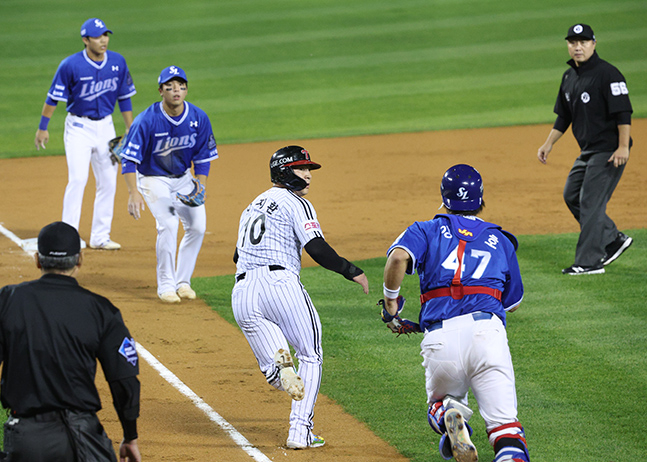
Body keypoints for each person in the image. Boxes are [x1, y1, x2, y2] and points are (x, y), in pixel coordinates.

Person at [381, 165, 529, 462]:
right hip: (487, 335)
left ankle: (451, 415)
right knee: (506, 431)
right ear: (481, 197)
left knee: (440, 403)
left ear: (443, 197)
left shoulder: (424, 229)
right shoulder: (500, 239)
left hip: (441, 338)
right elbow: (513, 302)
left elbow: (398, 257)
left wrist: (391, 302)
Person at [231, 146, 369, 449]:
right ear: (283, 171)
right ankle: (299, 432)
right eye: (301, 168)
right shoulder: (296, 203)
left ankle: (283, 372)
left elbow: (236, 255)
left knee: (275, 369)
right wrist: (351, 270)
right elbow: (316, 249)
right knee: (310, 355)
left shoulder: (251, 207)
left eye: (309, 169)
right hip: (281, 285)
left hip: (242, 292)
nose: (308, 175)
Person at [0, 221, 141, 461]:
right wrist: (130, 436)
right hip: (84, 437)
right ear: (80, 260)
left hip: (28, 439)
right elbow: (124, 381)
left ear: (37, 260)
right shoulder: (101, 310)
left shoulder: (7, 300)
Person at [537, 23, 633, 275]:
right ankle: (612, 239)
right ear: (567, 45)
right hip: (588, 150)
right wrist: (548, 143)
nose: (577, 47)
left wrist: (623, 146)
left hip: (609, 150)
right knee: (572, 195)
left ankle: (589, 263)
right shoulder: (569, 77)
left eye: (583, 42)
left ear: (594, 43)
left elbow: (623, 112)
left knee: (590, 202)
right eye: (572, 42)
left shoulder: (608, 74)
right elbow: (564, 116)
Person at [34, 18, 137, 251]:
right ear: (85, 40)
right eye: (98, 36)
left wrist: (130, 127)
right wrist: (43, 127)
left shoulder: (118, 62)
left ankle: (100, 236)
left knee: (109, 181)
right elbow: (53, 98)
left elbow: (124, 96)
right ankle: (69, 237)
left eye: (105, 35)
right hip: (79, 128)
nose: (103, 40)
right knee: (78, 179)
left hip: (107, 128)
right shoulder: (70, 65)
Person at [120, 65, 218, 303]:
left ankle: (183, 282)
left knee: (197, 227)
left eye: (181, 87)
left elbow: (203, 158)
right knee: (169, 224)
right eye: (170, 87)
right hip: (154, 179)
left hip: (184, 178)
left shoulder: (198, 118)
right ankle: (166, 285)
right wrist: (134, 192)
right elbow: (128, 159)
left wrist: (200, 186)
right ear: (160, 91)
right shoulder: (146, 120)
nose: (177, 91)